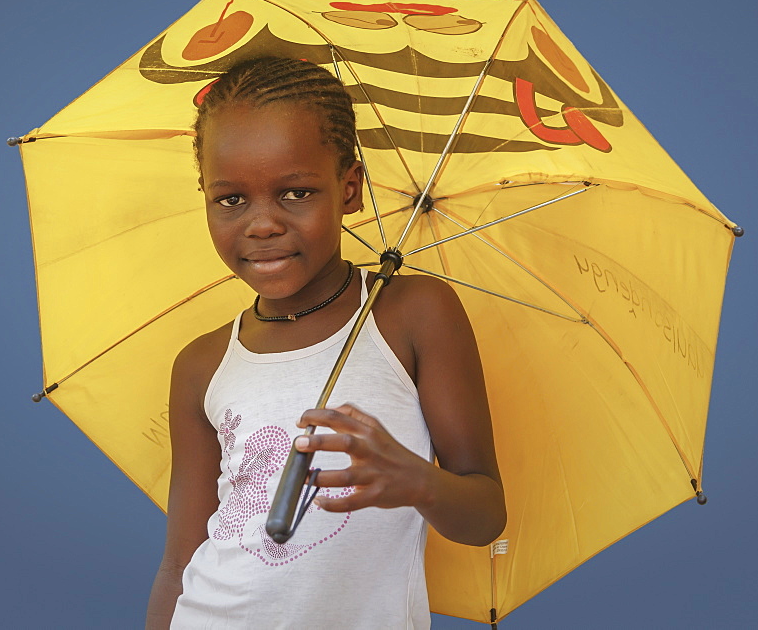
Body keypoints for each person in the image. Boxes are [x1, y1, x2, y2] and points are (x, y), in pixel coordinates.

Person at [145, 56, 505, 629]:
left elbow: (485, 512)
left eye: (295, 193)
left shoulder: (412, 314)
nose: (261, 225)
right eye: (231, 199)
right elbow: (179, 562)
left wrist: (418, 481)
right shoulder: (202, 364)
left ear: (350, 187)